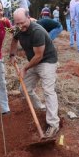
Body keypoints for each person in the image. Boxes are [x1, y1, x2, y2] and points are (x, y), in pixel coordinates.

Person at [9, 8, 60, 138]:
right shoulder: (17, 28)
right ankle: (40, 108)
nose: (20, 26)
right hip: (34, 61)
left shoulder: (37, 31)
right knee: (24, 89)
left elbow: (38, 56)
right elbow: (14, 40)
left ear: (29, 17)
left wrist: (25, 68)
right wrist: (12, 54)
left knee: (48, 90)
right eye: (17, 23)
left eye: (22, 23)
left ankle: (53, 124)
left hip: (47, 61)